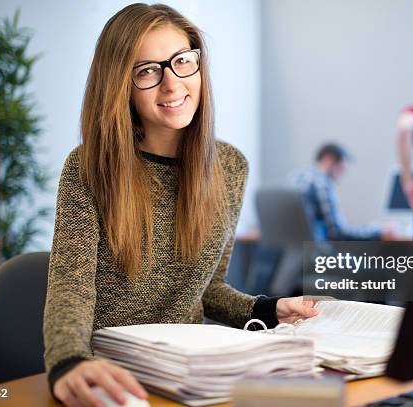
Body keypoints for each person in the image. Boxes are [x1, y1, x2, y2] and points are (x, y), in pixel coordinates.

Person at [43, 4, 318, 407]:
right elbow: (71, 288)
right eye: (148, 70)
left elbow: (207, 292)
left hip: (187, 374)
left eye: (182, 61)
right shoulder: (88, 167)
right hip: (111, 375)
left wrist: (269, 309)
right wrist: (68, 362)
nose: (172, 84)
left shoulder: (229, 166)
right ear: (120, 83)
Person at [293, 143, 391, 241]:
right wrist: (378, 231)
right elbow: (339, 233)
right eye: (341, 169)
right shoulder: (321, 183)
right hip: (318, 250)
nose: (340, 177)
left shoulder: (297, 177)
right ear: (328, 159)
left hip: (292, 250)